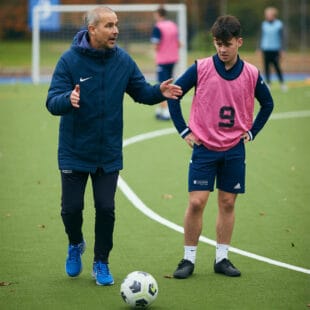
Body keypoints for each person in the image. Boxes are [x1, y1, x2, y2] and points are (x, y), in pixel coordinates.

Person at [45, 6, 182, 286]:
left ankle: (101, 262)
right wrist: (66, 100)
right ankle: (75, 244)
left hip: (108, 151)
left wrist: (159, 92)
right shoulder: (69, 61)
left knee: (106, 208)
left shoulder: (122, 60)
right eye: (108, 25)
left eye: (116, 24)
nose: (116, 30)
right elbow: (51, 101)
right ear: (92, 29)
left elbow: (140, 91)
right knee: (71, 210)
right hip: (73, 150)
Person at [168, 15, 274, 279]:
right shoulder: (201, 67)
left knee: (227, 203)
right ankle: (188, 259)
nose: (222, 49)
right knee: (196, 202)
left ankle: (222, 258)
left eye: (227, 44)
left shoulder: (251, 73)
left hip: (234, 149)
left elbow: (268, 104)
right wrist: (184, 130)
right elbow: (173, 94)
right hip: (204, 148)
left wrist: (252, 132)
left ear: (239, 42)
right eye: (218, 43)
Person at [151, 6, 180, 120]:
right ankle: (161, 108)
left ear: (158, 14)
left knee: (162, 86)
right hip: (173, 59)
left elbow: (156, 45)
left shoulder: (158, 27)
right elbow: (179, 43)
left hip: (163, 60)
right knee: (169, 84)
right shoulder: (173, 25)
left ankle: (167, 111)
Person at [259, 6, 287, 91]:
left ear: (274, 15)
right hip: (266, 49)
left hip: (275, 49)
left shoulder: (279, 24)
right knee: (266, 67)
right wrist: (259, 48)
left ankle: (282, 83)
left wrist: (283, 49)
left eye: (269, 14)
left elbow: (283, 37)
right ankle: (268, 83)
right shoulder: (264, 24)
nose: (267, 16)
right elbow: (261, 37)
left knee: (277, 66)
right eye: (266, 14)